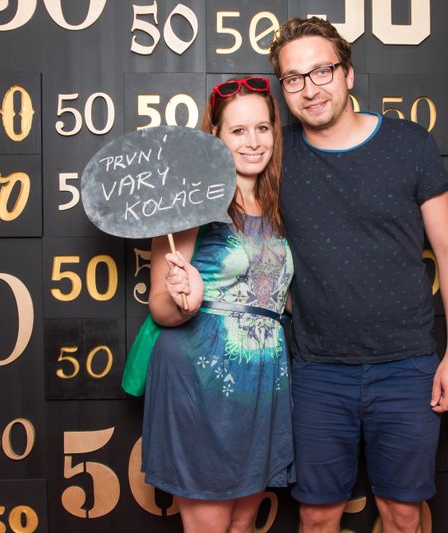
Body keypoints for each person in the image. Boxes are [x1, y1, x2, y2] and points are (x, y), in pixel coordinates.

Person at [268, 18, 448, 533]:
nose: (310, 88)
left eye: (322, 71)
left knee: (402, 515)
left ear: (348, 74)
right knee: (316, 516)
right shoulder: (276, 155)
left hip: (407, 366)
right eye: (294, 78)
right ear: (283, 89)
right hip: (317, 369)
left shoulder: (409, 144)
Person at [139, 77, 293, 533]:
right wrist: (185, 302)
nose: (253, 142)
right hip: (200, 378)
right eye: (238, 130)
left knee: (243, 526)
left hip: (260, 381)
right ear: (215, 136)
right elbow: (160, 306)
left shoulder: (277, 203)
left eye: (262, 128)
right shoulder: (192, 203)